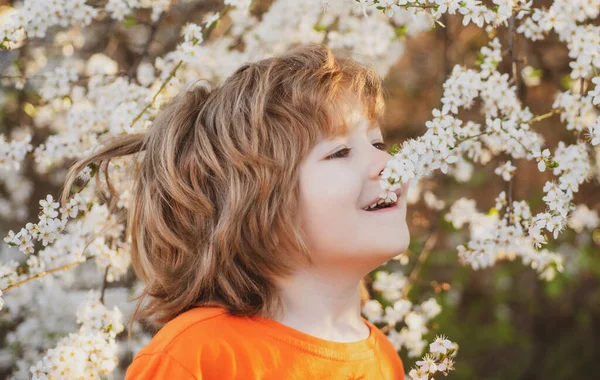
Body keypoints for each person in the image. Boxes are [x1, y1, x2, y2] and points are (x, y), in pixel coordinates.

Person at [61, 43, 409, 379]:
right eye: (340, 152)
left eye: (378, 143)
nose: (387, 162)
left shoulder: (384, 361)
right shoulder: (196, 356)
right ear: (257, 203)